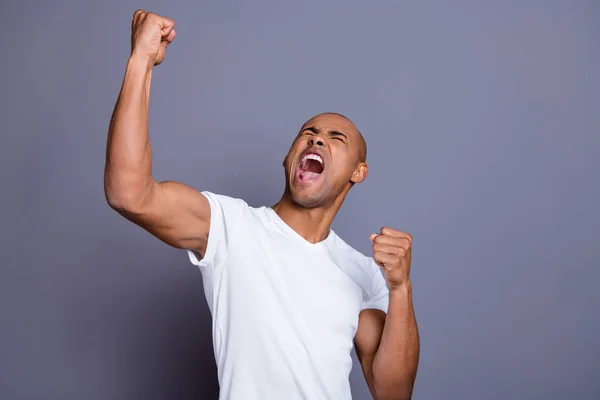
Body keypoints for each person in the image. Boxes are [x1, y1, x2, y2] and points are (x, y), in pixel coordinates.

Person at [104, 9, 419, 400]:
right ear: (288, 159)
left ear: (358, 172)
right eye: (309, 133)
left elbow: (393, 392)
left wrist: (400, 288)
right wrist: (141, 61)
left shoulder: (362, 273)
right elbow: (128, 192)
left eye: (335, 138)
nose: (317, 140)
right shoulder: (230, 228)